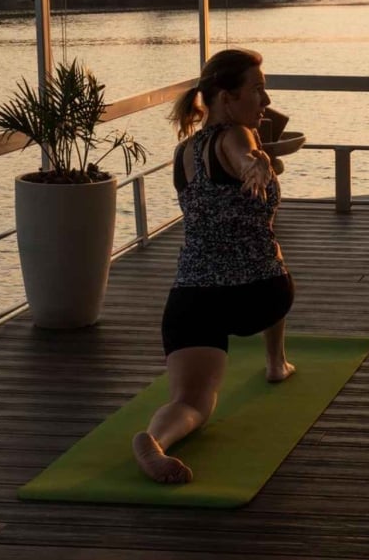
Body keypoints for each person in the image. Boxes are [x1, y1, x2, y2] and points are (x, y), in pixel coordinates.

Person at [132, 48, 295, 484]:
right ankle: (276, 362)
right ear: (226, 97)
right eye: (257, 90)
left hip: (190, 298)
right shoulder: (240, 136)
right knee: (270, 250)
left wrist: (259, 163)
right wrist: (255, 163)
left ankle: (157, 439)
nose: (265, 100)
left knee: (193, 403)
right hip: (255, 297)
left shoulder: (184, 152)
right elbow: (239, 153)